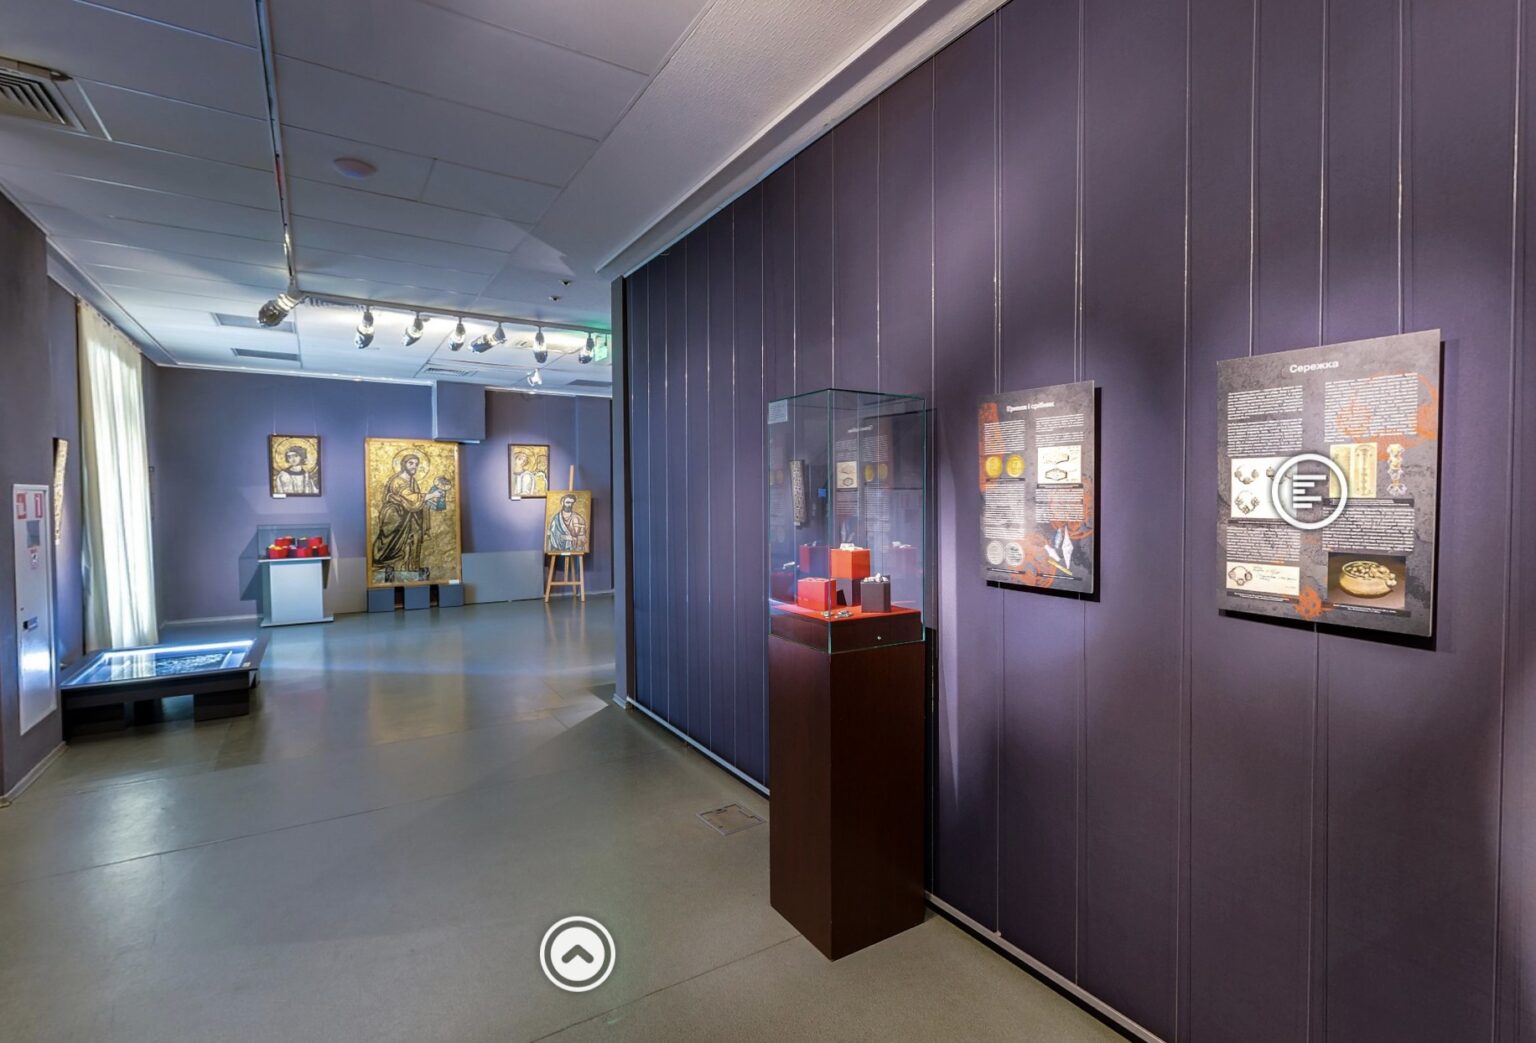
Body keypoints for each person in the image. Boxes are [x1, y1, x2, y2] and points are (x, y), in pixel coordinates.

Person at [373, 453, 431, 581]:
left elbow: (415, 502)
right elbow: (411, 498)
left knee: (413, 540)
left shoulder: (412, 481)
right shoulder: (397, 480)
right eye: (411, 463)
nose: (414, 466)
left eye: (416, 464)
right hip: (396, 517)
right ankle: (393, 570)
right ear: (404, 464)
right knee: (393, 546)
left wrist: (424, 503)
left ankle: (411, 569)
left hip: (410, 518)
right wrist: (430, 496)